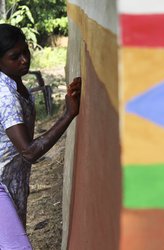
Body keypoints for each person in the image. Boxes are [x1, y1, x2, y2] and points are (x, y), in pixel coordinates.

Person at [0, 24, 81, 249]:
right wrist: (68, 114)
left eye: (26, 52)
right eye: (15, 56)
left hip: (12, 181)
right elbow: (29, 151)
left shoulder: (16, 85)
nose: (24, 60)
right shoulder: (6, 95)